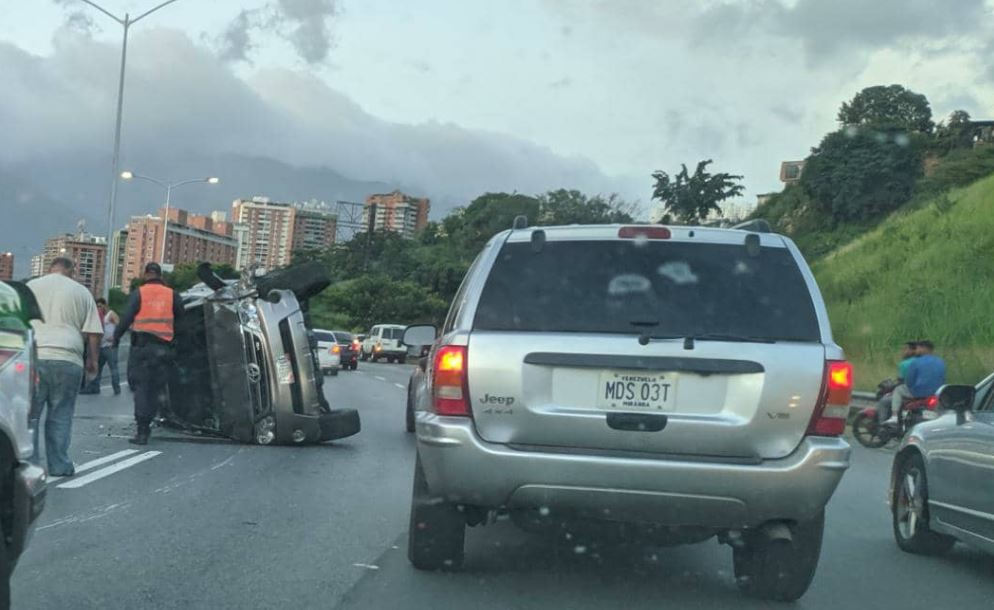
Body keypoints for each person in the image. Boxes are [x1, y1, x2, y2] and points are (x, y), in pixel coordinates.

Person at [27, 257, 102, 476]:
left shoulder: (31, 287)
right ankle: (59, 465)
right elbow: (94, 333)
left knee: (30, 415)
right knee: (61, 413)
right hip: (69, 359)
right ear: (71, 271)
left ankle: (29, 466)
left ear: (50, 269)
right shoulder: (81, 292)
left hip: (34, 356)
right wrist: (93, 361)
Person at [113, 262, 183, 445]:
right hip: (164, 350)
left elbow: (126, 317)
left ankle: (142, 431)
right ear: (161, 276)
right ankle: (158, 418)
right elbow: (183, 323)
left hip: (142, 349)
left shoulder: (139, 293)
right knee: (157, 388)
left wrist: (116, 338)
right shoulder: (172, 295)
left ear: (146, 275)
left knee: (142, 389)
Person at [889, 340, 946, 422]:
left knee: (898, 390)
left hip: (918, 393)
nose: (916, 351)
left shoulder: (916, 362)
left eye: (918, 348)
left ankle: (894, 416)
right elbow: (942, 378)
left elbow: (909, 381)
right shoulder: (941, 362)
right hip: (936, 393)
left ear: (924, 348)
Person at [80, 298, 121, 395]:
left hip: (110, 347)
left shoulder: (111, 314)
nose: (99, 308)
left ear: (105, 305)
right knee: (97, 368)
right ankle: (94, 387)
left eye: (100, 306)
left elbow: (120, 326)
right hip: (100, 347)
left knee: (113, 368)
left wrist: (115, 337)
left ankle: (116, 388)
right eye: (97, 306)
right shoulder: (98, 316)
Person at [877, 341, 918, 424]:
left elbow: (900, 381)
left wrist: (891, 390)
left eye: (905, 349)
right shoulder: (922, 362)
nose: (903, 352)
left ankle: (883, 426)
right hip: (923, 395)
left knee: (884, 402)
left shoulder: (905, 364)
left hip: (909, 393)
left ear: (912, 351)